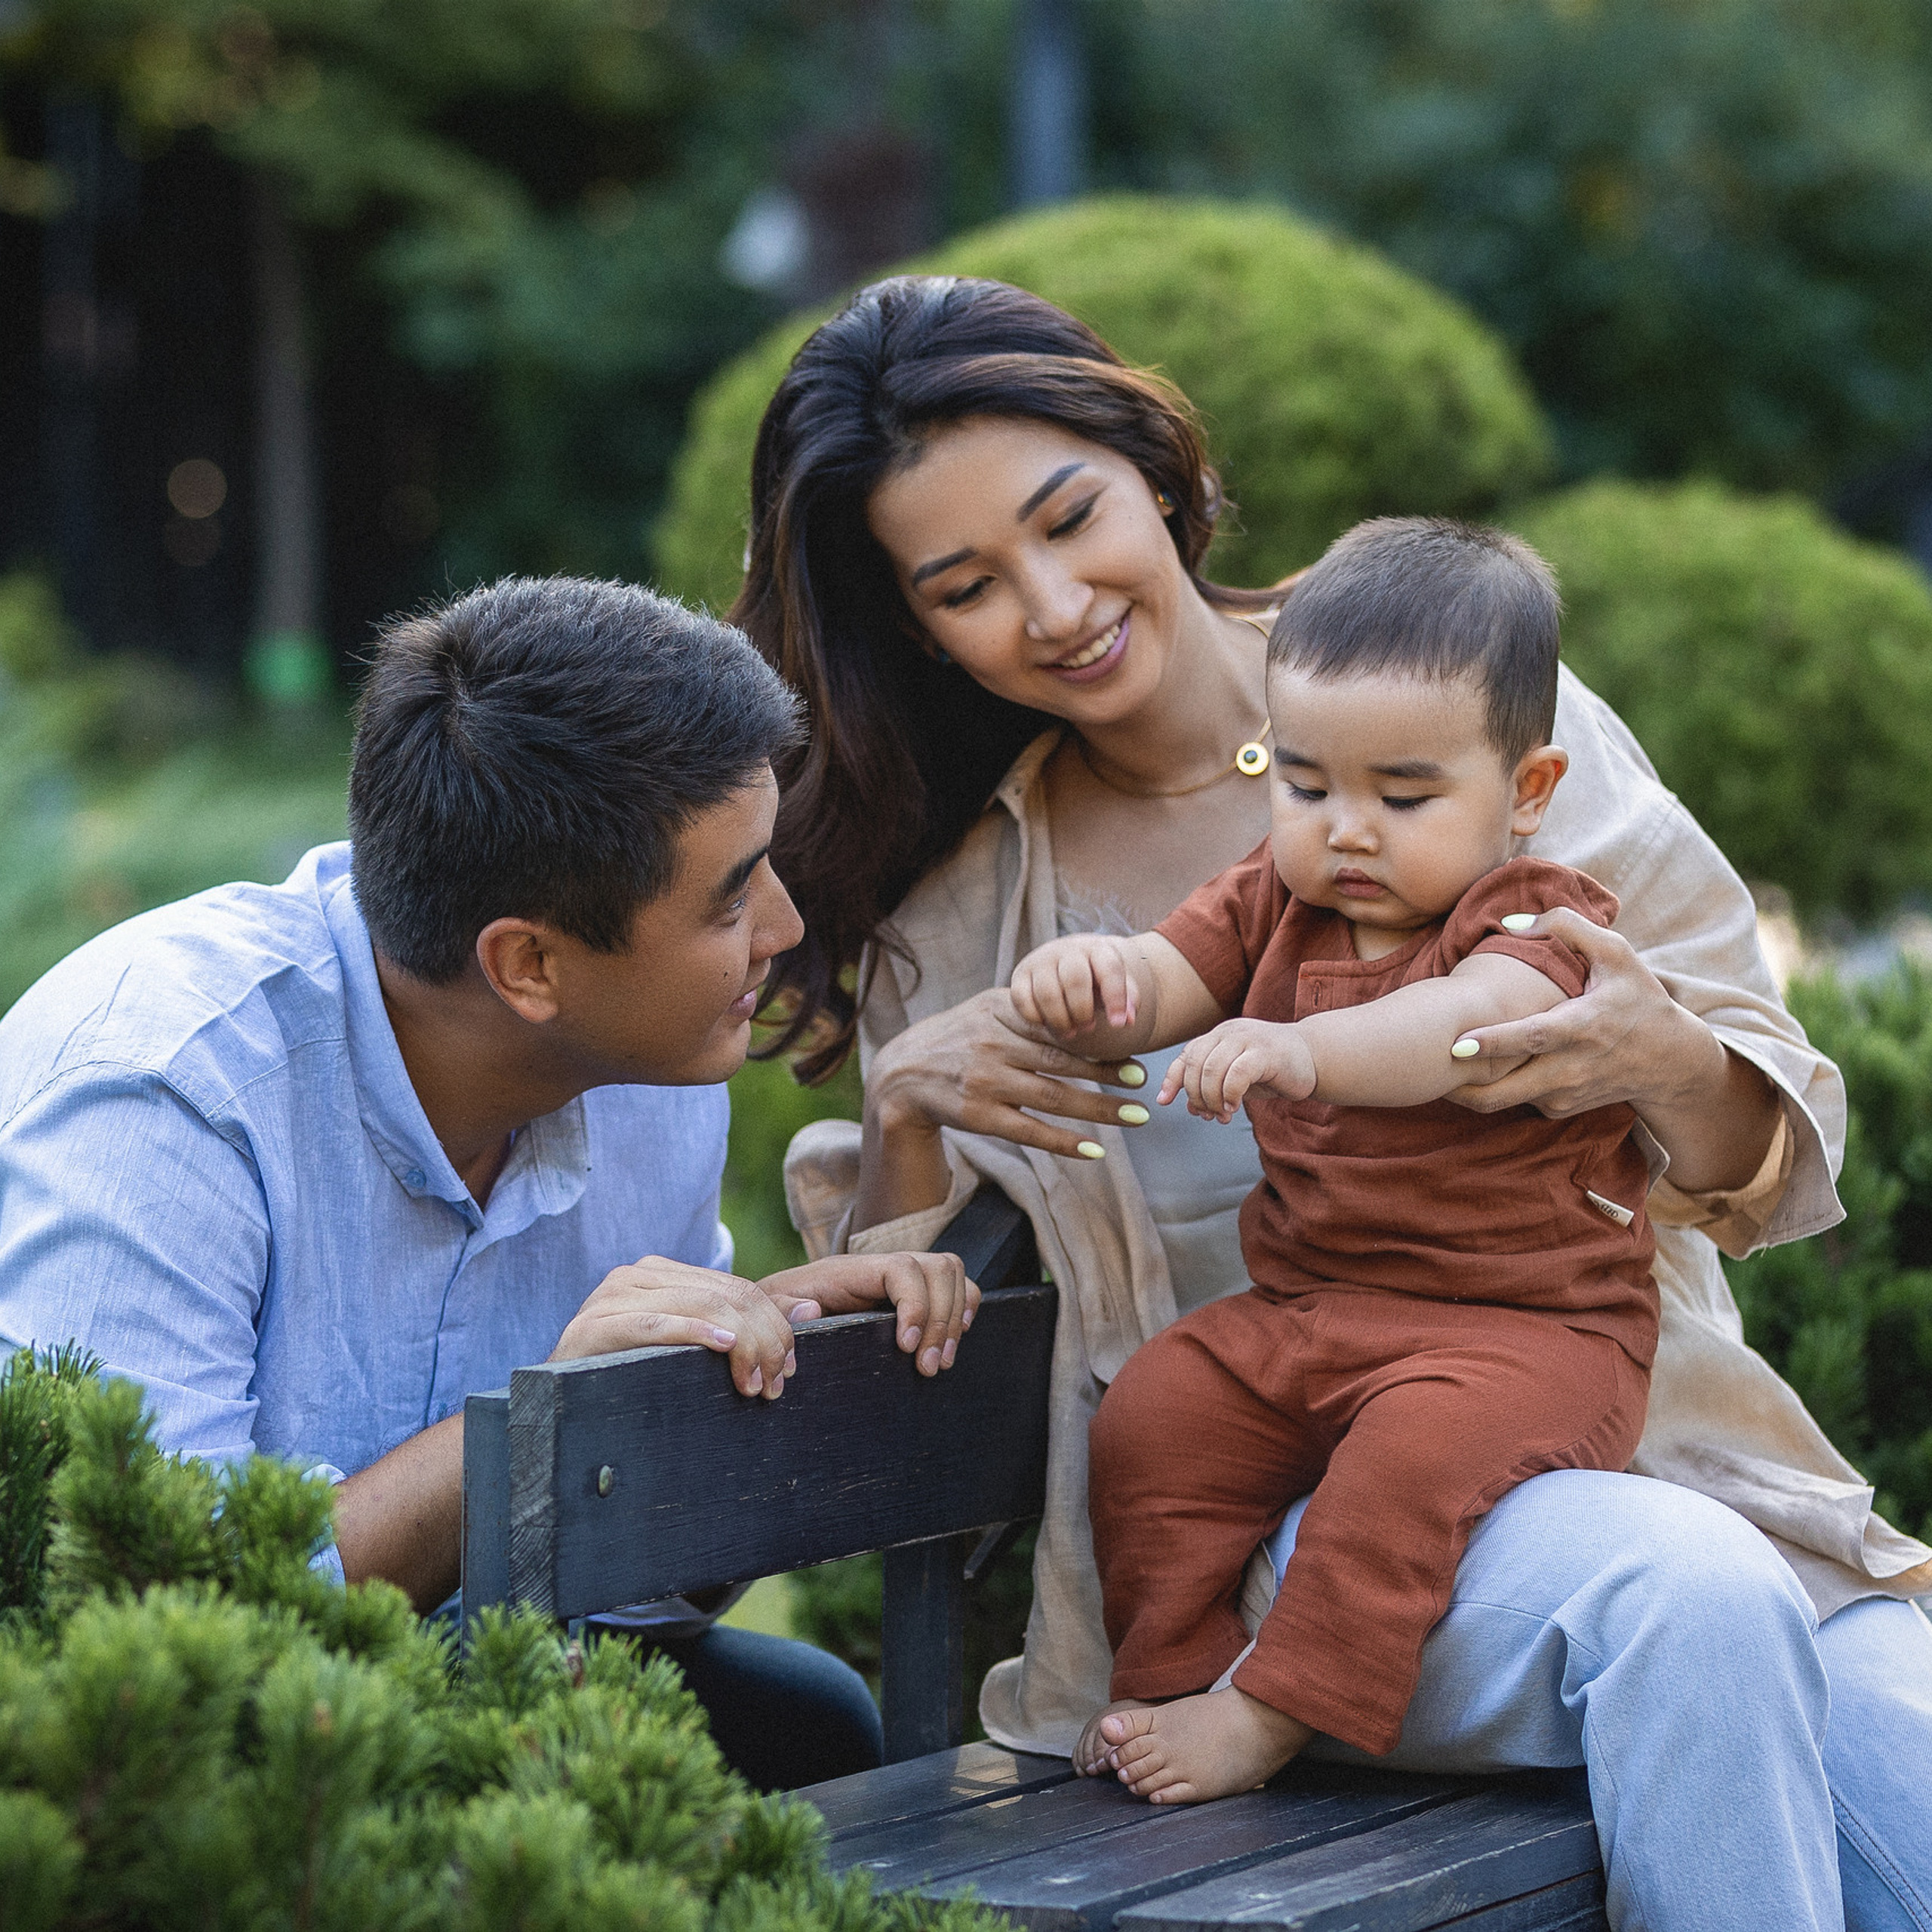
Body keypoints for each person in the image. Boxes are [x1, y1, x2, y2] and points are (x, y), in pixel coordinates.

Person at [740, 274, 1932, 1929]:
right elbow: (898, 1324)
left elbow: (1753, 1161)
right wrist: (914, 1116)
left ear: (1148, 468)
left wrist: (1660, 1057)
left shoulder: (1452, 687)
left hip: (1647, 1451)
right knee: (1686, 1599)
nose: (1053, 601)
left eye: (1069, 516)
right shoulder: (957, 917)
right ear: (915, 624)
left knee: (1891, 1742)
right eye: (963, 584)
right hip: (1288, 1540)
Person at [0, 576, 979, 1793]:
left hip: (489, 1725)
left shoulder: (656, 1075)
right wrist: (542, 1431)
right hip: (194, 1788)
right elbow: (145, 1625)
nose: (782, 924)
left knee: (807, 1722)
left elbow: (634, 1615)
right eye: (732, 896)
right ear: (527, 964)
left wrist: (729, 1383)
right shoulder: (162, 1093)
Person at [1012, 515, 1663, 1801]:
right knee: (1156, 1415)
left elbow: (1458, 1027)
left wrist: (1305, 1049)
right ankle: (1170, 1674)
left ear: (1525, 793)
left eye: (1404, 796)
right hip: (1310, 1312)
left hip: (1529, 1333)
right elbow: (1167, 976)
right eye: (1306, 785)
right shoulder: (1278, 891)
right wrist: (1097, 982)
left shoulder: (1540, 918)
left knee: (1400, 1473)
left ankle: (1272, 1714)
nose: (1347, 831)